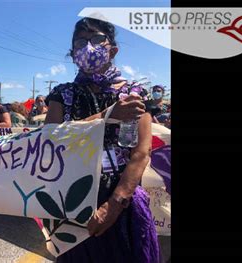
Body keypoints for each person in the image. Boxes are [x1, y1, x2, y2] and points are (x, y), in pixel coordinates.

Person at [45, 17, 159, 262]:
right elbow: (49, 141)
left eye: (96, 39)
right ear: (73, 53)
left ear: (113, 49)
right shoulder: (61, 94)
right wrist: (106, 116)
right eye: (80, 42)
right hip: (73, 199)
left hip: (123, 200)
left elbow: (141, 152)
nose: (88, 46)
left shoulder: (134, 93)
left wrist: (114, 205)